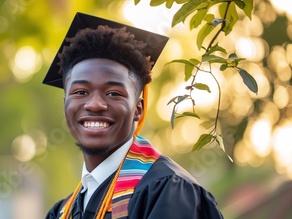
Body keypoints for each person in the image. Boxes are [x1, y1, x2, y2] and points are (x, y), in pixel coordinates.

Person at [42, 12, 224, 219]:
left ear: (138, 108)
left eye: (113, 93)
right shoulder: (62, 212)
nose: (95, 104)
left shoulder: (167, 192)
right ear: (65, 104)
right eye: (80, 92)